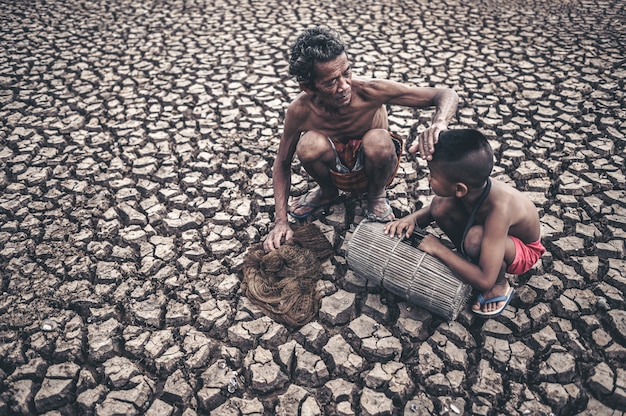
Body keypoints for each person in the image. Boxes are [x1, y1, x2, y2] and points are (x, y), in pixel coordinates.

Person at [263, 26, 459, 252]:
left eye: (346, 73)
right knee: (307, 145)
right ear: (308, 87)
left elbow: (445, 94)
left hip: (374, 166)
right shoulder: (300, 111)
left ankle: (376, 195)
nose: (344, 86)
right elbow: (282, 163)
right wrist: (281, 221)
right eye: (331, 82)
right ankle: (327, 192)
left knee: (378, 139)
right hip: (336, 168)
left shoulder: (370, 91)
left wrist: (439, 122)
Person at [384, 129, 545, 316]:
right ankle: (468, 260)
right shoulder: (474, 187)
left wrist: (437, 248)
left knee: (475, 239)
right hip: (490, 235)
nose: (428, 178)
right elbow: (432, 211)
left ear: (460, 188)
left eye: (432, 175)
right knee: (440, 206)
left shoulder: (499, 209)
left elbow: (484, 280)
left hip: (523, 250)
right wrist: (411, 219)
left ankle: (500, 285)